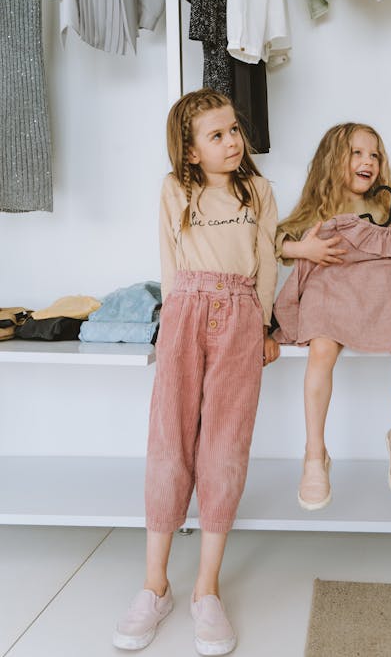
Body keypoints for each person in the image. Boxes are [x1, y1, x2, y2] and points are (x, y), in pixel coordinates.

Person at [113, 88, 280, 655]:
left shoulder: (257, 192)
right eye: (218, 135)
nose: (233, 141)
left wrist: (263, 327)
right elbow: (168, 260)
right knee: (169, 443)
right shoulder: (174, 190)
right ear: (189, 152)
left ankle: (205, 589)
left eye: (234, 130)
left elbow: (265, 264)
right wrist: (172, 327)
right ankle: (154, 585)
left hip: (240, 317)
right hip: (184, 312)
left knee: (225, 447)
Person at [273, 122, 391, 511]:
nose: (368, 162)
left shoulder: (383, 207)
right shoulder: (318, 208)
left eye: (374, 155)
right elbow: (275, 242)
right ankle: (314, 454)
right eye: (357, 153)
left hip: (378, 302)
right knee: (322, 350)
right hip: (333, 302)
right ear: (334, 161)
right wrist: (303, 250)